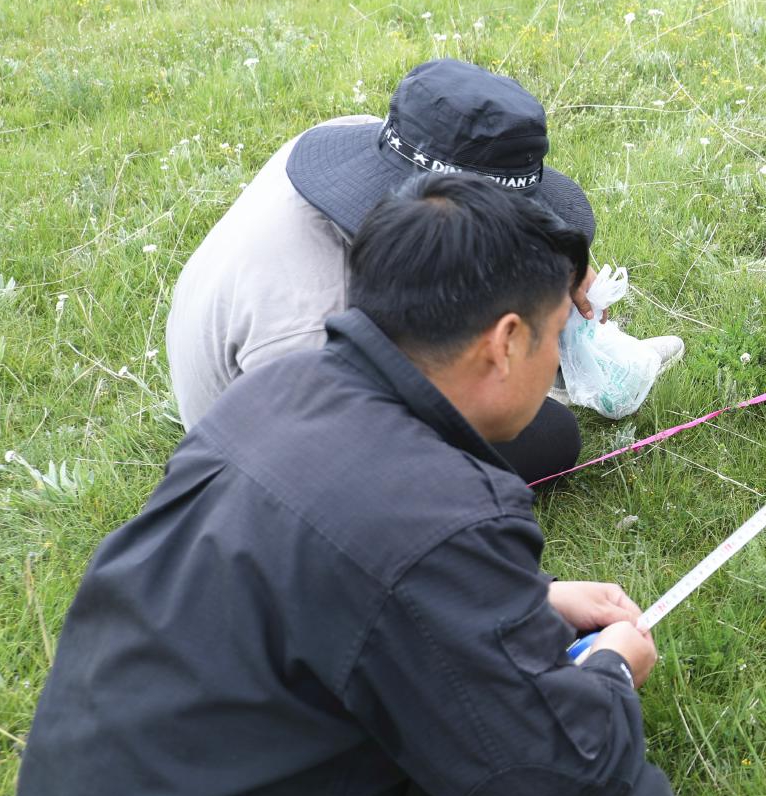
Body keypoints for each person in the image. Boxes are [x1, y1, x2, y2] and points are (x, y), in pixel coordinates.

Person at [13, 175, 711, 796]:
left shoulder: (278, 393)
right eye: (557, 341)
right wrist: (611, 669)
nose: (556, 367)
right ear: (502, 342)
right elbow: (550, 777)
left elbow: (331, 573)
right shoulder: (446, 508)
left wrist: (531, 599)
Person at [163, 57, 682, 482]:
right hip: (273, 442)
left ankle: (549, 361)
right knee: (547, 436)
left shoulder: (355, 140)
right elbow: (317, 485)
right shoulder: (310, 325)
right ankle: (538, 376)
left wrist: (554, 258)